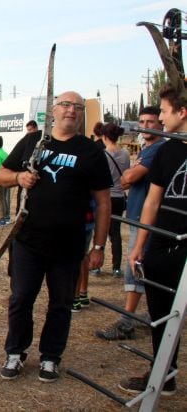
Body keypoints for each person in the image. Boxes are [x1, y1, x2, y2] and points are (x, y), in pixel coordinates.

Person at [0, 91, 112, 383]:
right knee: (21, 298)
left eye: (78, 107)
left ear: (82, 114)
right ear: (54, 111)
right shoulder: (34, 142)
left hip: (69, 244)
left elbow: (104, 202)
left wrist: (98, 245)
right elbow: (1, 175)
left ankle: (50, 356)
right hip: (27, 240)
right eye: (65, 105)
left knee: (60, 304)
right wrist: (20, 178)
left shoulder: (91, 151)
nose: (71, 110)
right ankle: (16, 352)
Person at [119, 86, 187, 395]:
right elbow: (152, 202)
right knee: (161, 315)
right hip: (162, 245)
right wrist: (138, 246)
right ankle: (164, 375)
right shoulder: (167, 150)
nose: (159, 117)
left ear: (181, 112)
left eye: (163, 111)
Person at [95, 106, 165, 340]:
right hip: (135, 213)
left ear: (161, 123)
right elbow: (125, 179)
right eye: (142, 122)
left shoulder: (157, 150)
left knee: (134, 265)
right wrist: (130, 173)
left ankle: (126, 322)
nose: (145, 126)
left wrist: (132, 172)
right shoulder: (145, 149)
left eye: (151, 122)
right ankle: (150, 315)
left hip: (146, 219)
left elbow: (130, 177)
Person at [98, 122, 131, 277]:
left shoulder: (103, 155)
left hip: (106, 197)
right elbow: (126, 175)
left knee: (101, 231)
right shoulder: (125, 153)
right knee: (115, 233)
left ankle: (97, 265)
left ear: (104, 137)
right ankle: (116, 267)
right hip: (119, 197)